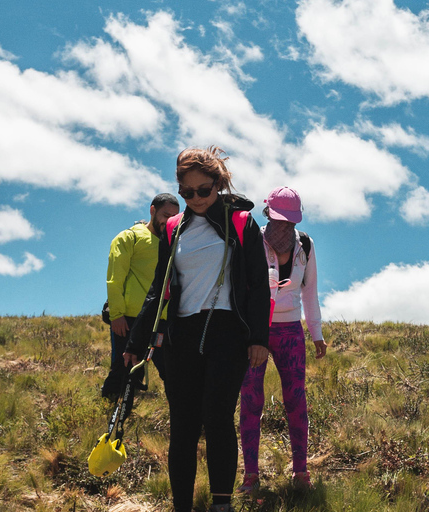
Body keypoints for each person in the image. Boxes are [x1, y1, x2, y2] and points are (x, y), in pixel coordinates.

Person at [125, 146, 271, 512]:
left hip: (227, 333)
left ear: (218, 184)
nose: (196, 198)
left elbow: (258, 283)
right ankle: (182, 507)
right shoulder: (174, 228)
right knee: (183, 425)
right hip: (181, 336)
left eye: (203, 190)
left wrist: (258, 338)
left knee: (218, 416)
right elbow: (159, 289)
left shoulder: (241, 222)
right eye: (186, 192)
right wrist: (136, 339)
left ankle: (222, 505)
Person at [237, 186, 327, 493]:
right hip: (254, 332)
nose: (284, 226)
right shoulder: (252, 240)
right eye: (278, 219)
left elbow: (309, 291)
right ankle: (250, 476)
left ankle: (300, 472)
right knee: (250, 400)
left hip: (290, 330)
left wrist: (316, 333)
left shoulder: (306, 245)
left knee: (296, 400)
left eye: (289, 220)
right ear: (267, 215)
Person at [101, 193, 180, 399]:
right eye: (165, 215)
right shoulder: (128, 238)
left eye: (173, 217)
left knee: (172, 372)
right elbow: (114, 279)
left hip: (161, 321)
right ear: (152, 210)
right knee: (122, 368)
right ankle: (110, 406)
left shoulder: (174, 245)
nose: (167, 220)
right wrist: (116, 315)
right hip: (127, 320)